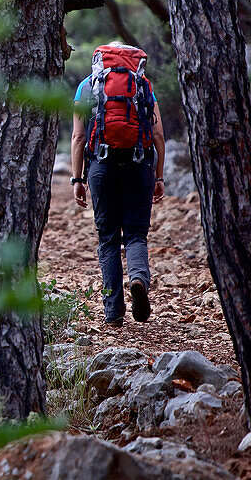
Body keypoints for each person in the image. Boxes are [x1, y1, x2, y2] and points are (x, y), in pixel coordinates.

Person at [70, 43, 166, 327]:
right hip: (139, 165)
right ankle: (138, 279)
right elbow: (158, 135)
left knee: (108, 237)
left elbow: (77, 138)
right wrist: (158, 177)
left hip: (101, 166)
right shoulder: (143, 84)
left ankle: (113, 311)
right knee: (136, 233)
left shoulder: (87, 86)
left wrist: (77, 179)